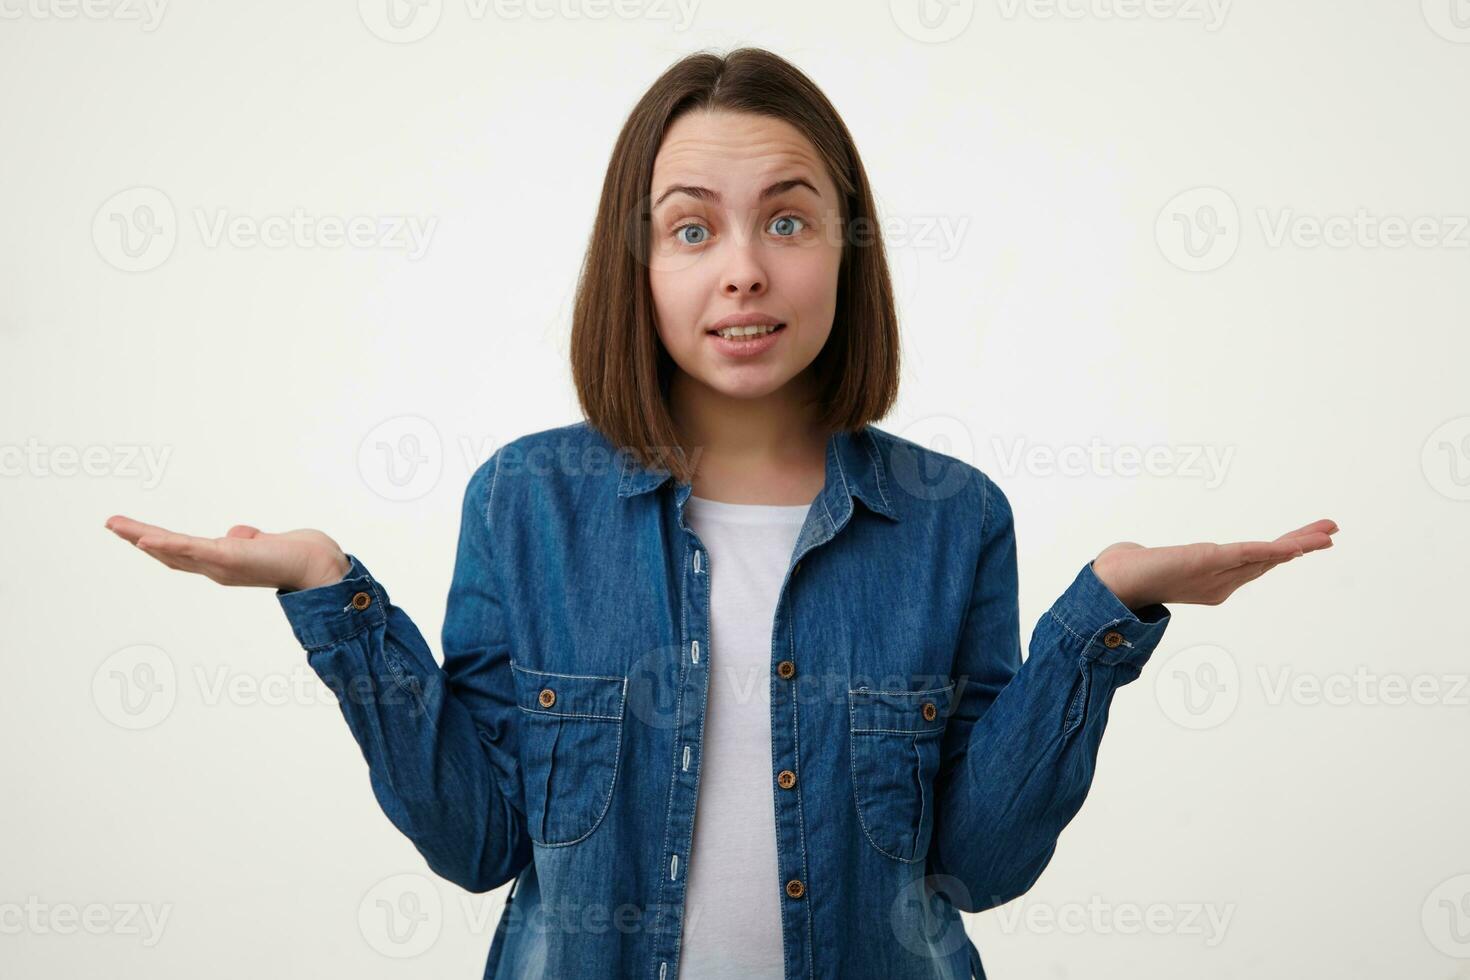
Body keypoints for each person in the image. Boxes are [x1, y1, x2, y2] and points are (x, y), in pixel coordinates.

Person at [104, 46, 1336, 980]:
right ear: (634, 264)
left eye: (787, 220)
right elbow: (479, 840)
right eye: (691, 228)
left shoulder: (954, 518)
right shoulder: (527, 503)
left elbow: (979, 862)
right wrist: (328, 591)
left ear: (845, 253)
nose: (744, 266)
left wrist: (1107, 612)